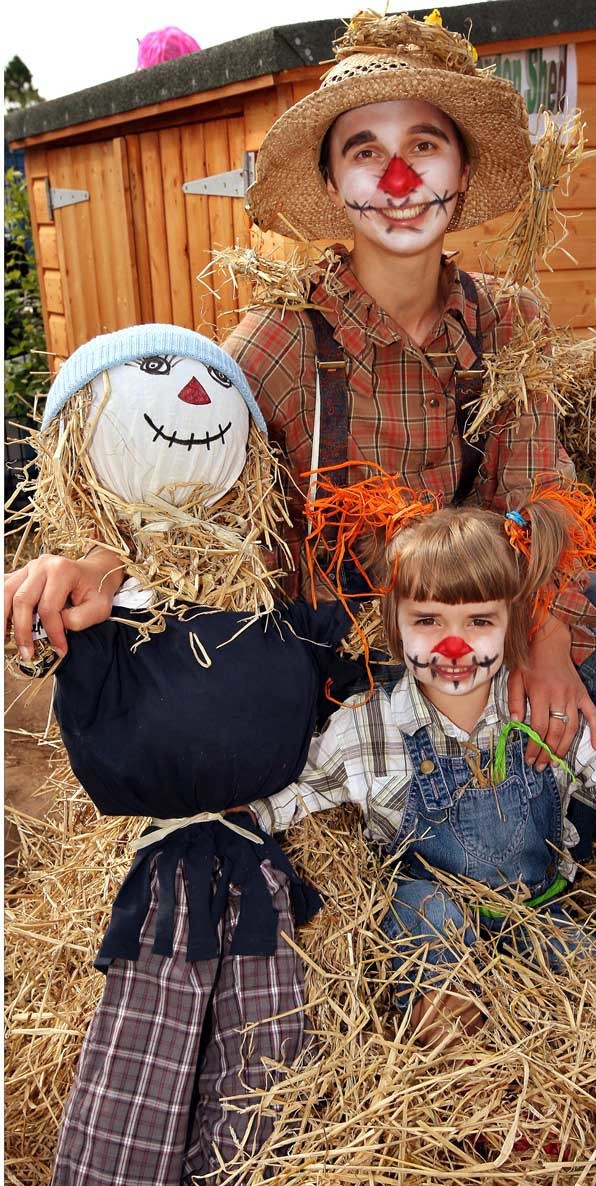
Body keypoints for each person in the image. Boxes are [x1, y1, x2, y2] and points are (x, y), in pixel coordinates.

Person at [4, 11, 596, 808]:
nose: (398, 183)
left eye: (423, 147)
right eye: (367, 154)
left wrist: (543, 630)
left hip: (494, 604)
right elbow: (187, 488)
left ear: (459, 172)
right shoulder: (285, 339)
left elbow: (544, 489)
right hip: (364, 647)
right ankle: (508, 831)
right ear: (334, 186)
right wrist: (91, 561)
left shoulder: (507, 320)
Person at [21, 326, 349, 1185]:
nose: (196, 394)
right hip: (169, 871)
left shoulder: (264, 596)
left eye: (210, 377)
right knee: (146, 1047)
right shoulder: (105, 605)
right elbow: (38, 636)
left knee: (267, 1049)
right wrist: (60, 586)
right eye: (160, 374)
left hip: (261, 860)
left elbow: (345, 650)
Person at [251, 497, 596, 1044]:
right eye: (427, 621)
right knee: (424, 909)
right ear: (395, 628)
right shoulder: (367, 728)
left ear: (513, 625)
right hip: (432, 911)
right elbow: (299, 789)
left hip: (532, 909)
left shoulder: (535, 715)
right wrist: (235, 814)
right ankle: (449, 1026)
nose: (453, 646)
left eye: (479, 621)